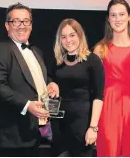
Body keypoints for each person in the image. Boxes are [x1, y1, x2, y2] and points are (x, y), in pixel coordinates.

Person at [0, 2, 59, 157]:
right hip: (10, 139)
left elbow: (41, 79)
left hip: (35, 135)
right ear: (7, 26)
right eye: (16, 21)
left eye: (26, 21)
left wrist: (51, 83)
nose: (21, 25)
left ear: (31, 25)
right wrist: (27, 105)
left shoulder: (37, 51)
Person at [94, 0, 130, 156]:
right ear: (108, 19)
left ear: (129, 16)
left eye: (121, 14)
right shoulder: (100, 49)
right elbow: (92, 87)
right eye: (113, 15)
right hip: (108, 109)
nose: (117, 19)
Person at [50, 18, 104, 156]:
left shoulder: (93, 60)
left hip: (82, 125)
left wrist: (93, 127)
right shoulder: (57, 62)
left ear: (80, 35)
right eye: (64, 37)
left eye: (72, 35)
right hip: (59, 125)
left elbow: (98, 96)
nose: (68, 40)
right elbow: (51, 89)